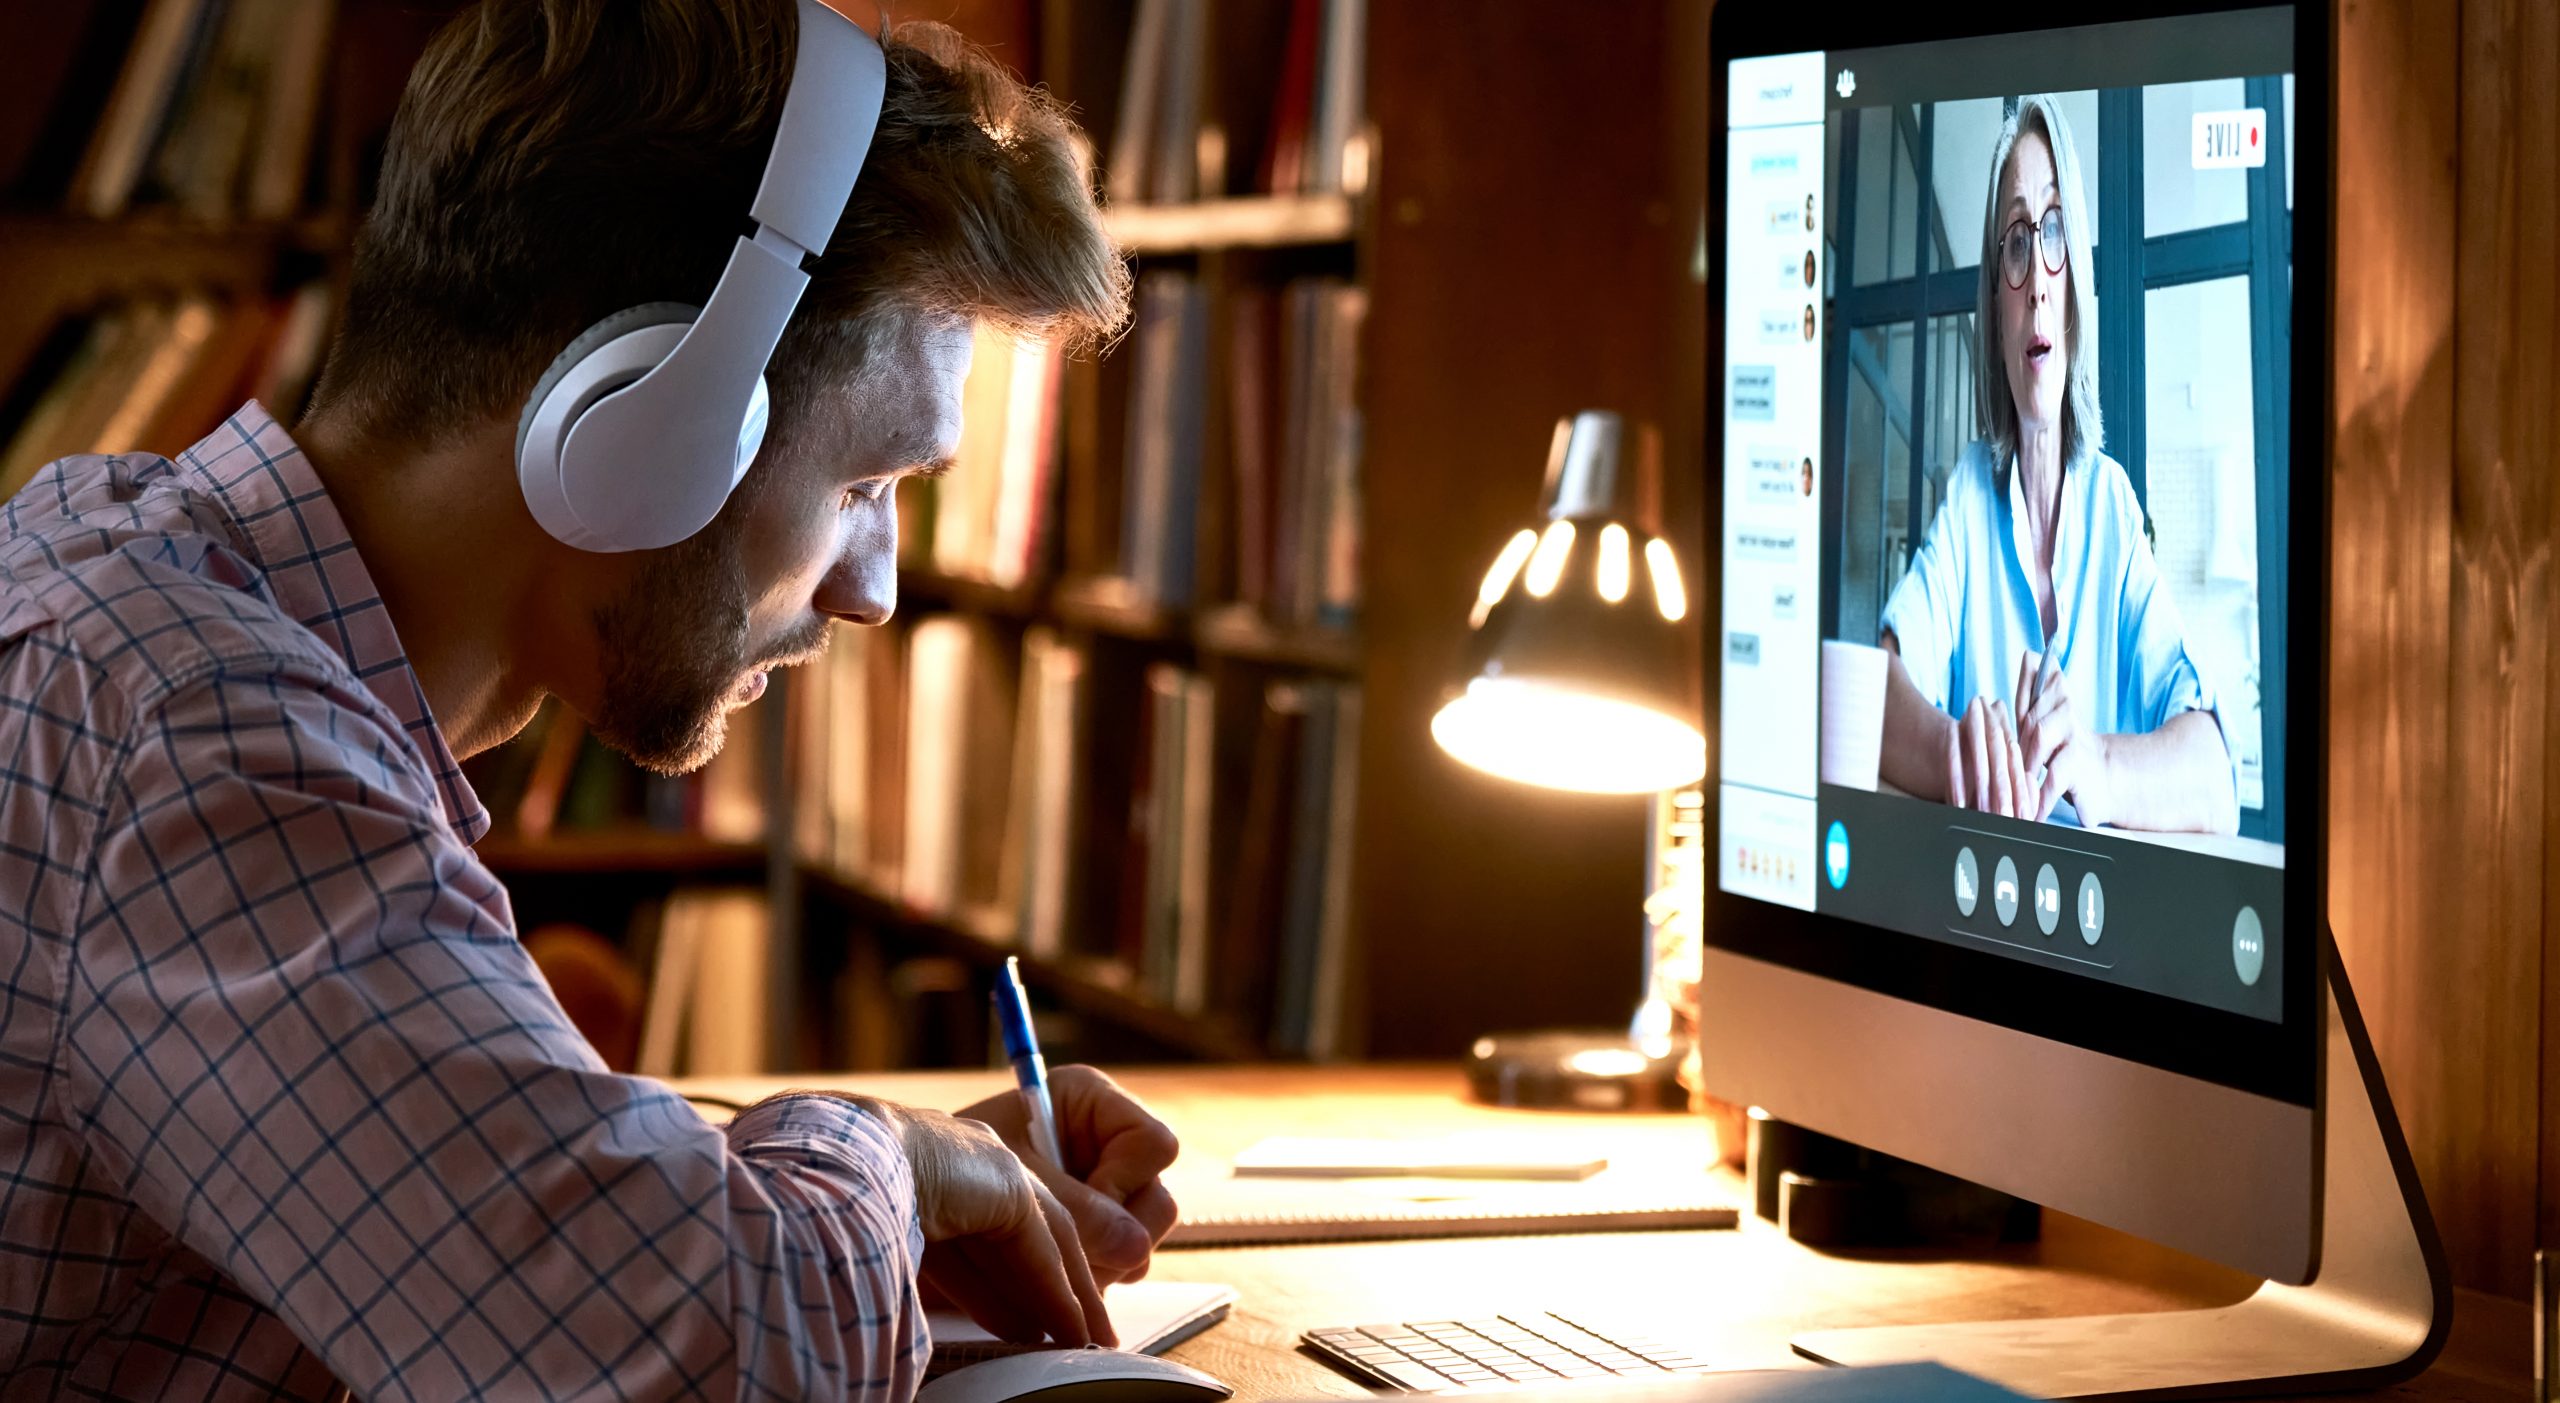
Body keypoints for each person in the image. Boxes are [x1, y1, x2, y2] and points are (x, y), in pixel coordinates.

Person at [0, 4, 1171, 1398]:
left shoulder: (119, 567)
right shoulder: (205, 738)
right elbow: (711, 1364)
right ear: (643, 428)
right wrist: (885, 1157)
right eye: (867, 485)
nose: (875, 591)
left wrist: (805, 1192)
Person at [1873, 96, 2235, 834]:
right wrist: (1962, 754)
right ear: (1997, 311)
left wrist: (2096, 763)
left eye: (2055, 232)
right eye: (2014, 242)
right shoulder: (1970, 494)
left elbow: (2215, 781)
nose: (2036, 277)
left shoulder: (2114, 505)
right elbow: (1874, 693)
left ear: (2074, 294)